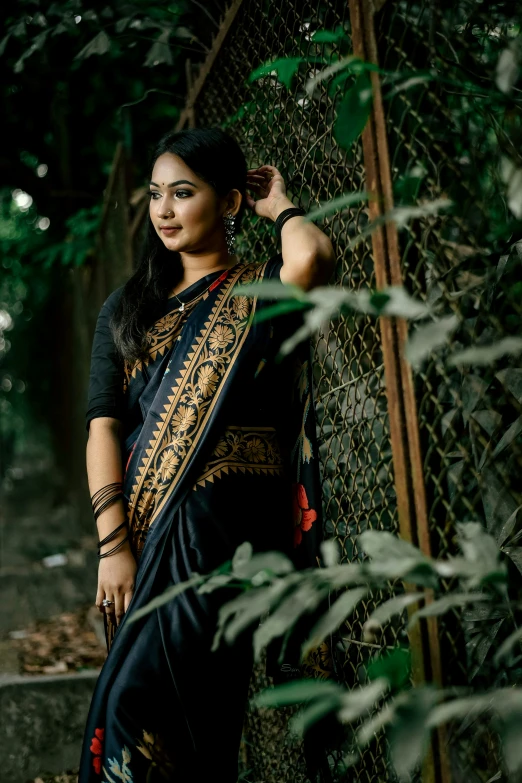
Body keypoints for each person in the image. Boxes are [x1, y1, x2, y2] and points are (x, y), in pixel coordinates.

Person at [79, 126, 335, 782]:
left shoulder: (257, 291)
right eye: (157, 195)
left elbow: (312, 259)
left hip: (225, 544)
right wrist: (113, 545)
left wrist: (281, 208)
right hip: (143, 535)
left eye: (183, 193)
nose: (164, 210)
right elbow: (104, 428)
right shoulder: (128, 310)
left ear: (227, 203)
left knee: (192, 713)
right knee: (133, 709)